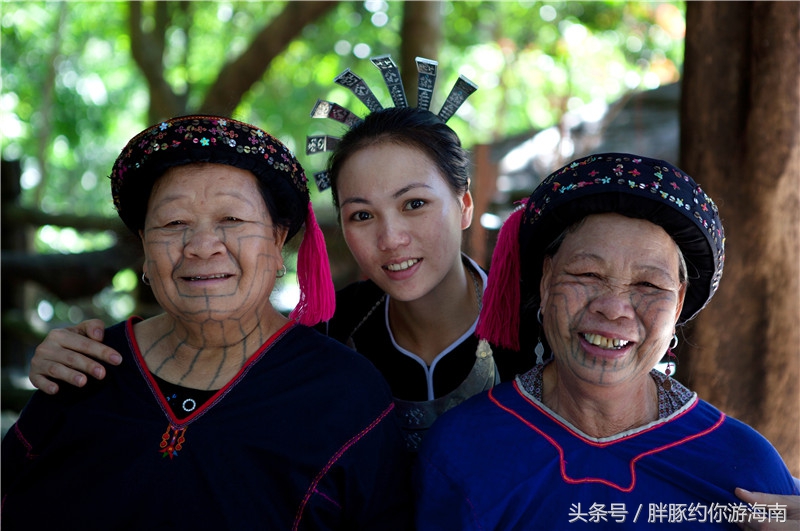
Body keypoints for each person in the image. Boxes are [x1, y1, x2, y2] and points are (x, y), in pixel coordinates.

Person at [26, 57, 536, 453]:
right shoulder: (328, 338)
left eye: (415, 204)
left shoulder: (542, 329)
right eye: (361, 214)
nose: (392, 237)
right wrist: (69, 356)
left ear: (465, 204)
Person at [2, 115, 412, 530]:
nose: (201, 246)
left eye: (232, 220)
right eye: (174, 223)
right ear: (145, 246)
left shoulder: (345, 395)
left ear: (277, 240)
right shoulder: (83, 369)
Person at [414, 153, 800, 530]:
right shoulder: (465, 449)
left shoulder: (744, 467)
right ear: (547, 281)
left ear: (679, 302)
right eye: (587, 274)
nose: (613, 308)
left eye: (648, 284)